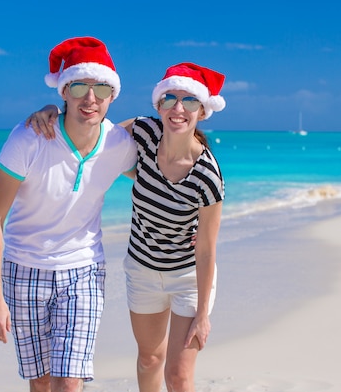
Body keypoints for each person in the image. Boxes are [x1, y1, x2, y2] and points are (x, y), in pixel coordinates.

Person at [27, 62, 226, 392]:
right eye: (170, 99)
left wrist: (203, 314)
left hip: (186, 278)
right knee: (149, 358)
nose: (178, 109)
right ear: (158, 105)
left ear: (202, 111)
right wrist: (52, 110)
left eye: (190, 101)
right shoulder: (145, 132)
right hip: (142, 272)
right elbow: (94, 136)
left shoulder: (207, 176)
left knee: (178, 376)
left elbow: (206, 251)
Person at [0, 36, 137, 392]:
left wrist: (189, 221)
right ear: (64, 91)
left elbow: (157, 180)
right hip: (23, 269)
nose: (90, 98)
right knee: (41, 382)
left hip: (83, 270)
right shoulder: (29, 138)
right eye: (79, 86)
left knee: (68, 382)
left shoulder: (118, 145)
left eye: (101, 89)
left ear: (113, 96)